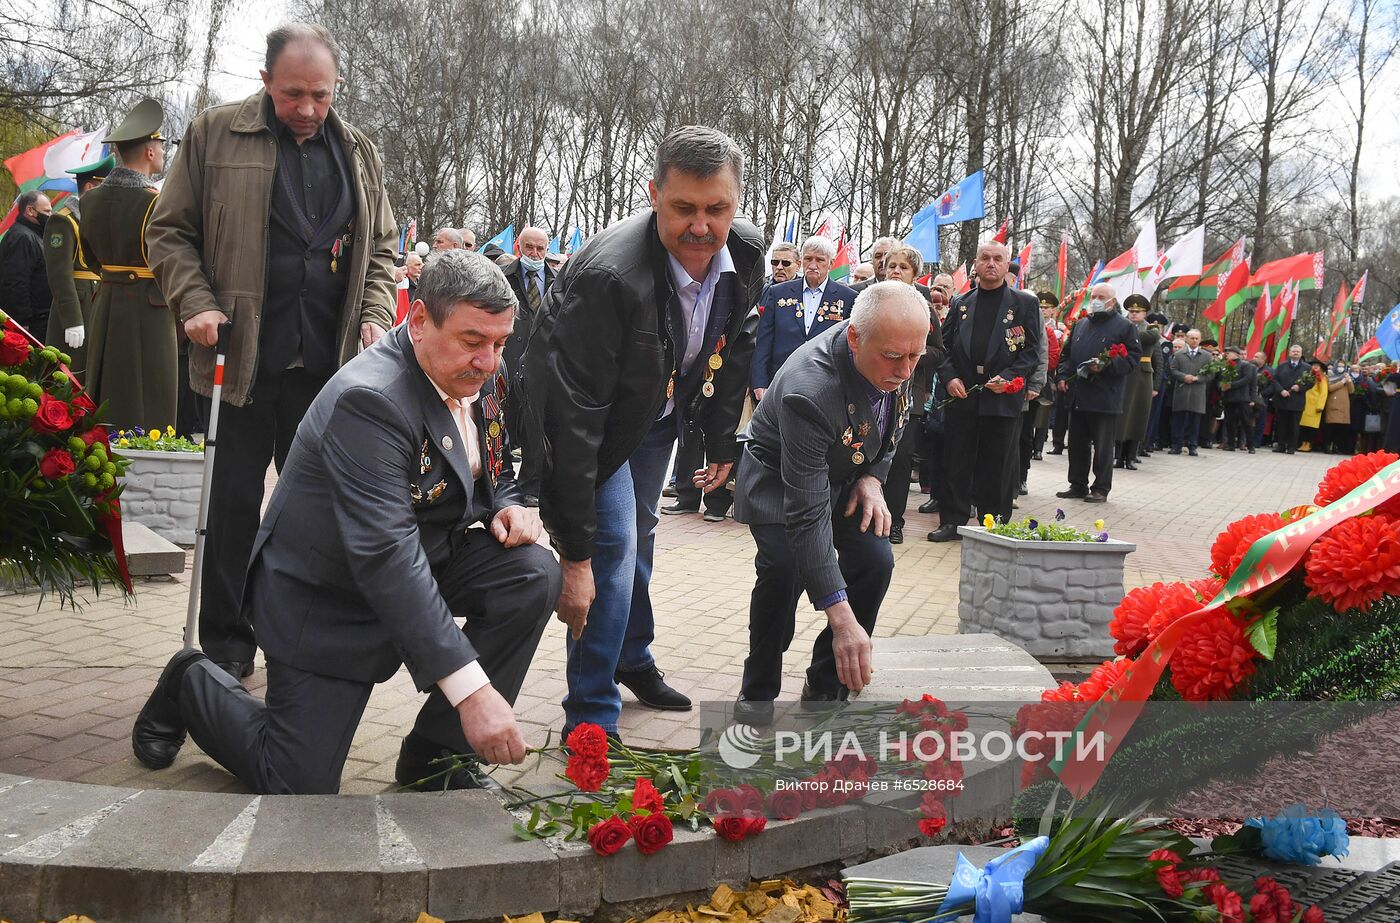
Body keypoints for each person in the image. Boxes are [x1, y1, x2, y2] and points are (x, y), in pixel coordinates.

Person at [132, 249, 560, 794]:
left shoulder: (471, 371)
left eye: (500, 343)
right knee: (296, 782)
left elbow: (486, 467)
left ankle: (436, 755)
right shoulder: (372, 400)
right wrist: (473, 692)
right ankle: (189, 681)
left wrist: (506, 506)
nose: (490, 361)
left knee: (531, 573)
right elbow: (385, 553)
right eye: (474, 341)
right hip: (330, 595)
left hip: (424, 555)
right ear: (420, 319)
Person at [147, 24, 399, 679]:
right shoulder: (214, 134)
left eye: (320, 94)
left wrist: (374, 316)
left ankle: (298, 638)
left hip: (328, 368)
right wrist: (194, 299)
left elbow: (383, 251)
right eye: (294, 94)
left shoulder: (360, 152)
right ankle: (228, 642)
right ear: (265, 82)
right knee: (231, 507)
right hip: (240, 359)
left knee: (315, 513)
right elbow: (169, 231)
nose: (309, 109)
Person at [522, 126, 766, 737]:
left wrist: (718, 444)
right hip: (594, 427)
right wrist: (572, 551)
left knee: (642, 539)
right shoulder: (609, 276)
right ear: (654, 194)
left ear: (737, 202)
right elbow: (571, 418)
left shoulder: (747, 253)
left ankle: (632, 657)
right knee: (608, 552)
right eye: (683, 207)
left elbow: (731, 346)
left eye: (717, 209)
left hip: (655, 420)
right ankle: (591, 714)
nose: (701, 227)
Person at [731, 282, 924, 725]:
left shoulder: (895, 355)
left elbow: (890, 428)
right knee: (784, 570)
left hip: (846, 472)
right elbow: (806, 512)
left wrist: (873, 479)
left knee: (876, 560)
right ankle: (757, 691)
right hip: (781, 482)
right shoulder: (811, 391)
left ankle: (826, 683)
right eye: (894, 357)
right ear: (855, 338)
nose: (905, 370)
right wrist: (840, 615)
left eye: (916, 356)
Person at [927, 241, 1041, 540]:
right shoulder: (961, 304)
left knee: (998, 462)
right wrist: (950, 377)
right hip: (963, 394)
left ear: (1006, 265)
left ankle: (994, 522)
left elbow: (1031, 352)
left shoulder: (1024, 304)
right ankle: (953, 520)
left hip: (1002, 396)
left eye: (998, 259)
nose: (991, 264)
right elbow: (945, 347)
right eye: (985, 258)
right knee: (957, 460)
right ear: (975, 264)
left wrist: (1009, 376)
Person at [81, 99, 174, 430]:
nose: (163, 152)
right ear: (149, 151)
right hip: (151, 309)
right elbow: (170, 260)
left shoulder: (89, 200)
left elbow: (91, 259)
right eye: (161, 145)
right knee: (151, 403)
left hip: (104, 303)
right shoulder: (156, 202)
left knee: (105, 393)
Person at [873, 245, 945, 543]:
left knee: (900, 460)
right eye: (891, 265)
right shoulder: (871, 301)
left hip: (907, 395)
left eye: (903, 267)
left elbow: (939, 351)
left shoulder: (924, 307)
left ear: (915, 274)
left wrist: (908, 356)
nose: (895, 271)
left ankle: (895, 521)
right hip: (872, 392)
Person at [1054, 282, 1140, 502]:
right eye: (1094, 296)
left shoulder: (1125, 327)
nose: (1096, 301)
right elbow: (1067, 355)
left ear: (1112, 301)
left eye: (1101, 297)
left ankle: (1101, 488)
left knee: (1102, 446)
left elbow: (1132, 359)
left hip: (1105, 395)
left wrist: (1107, 366)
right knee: (1076, 443)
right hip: (1079, 393)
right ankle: (1077, 484)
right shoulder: (1081, 324)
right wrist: (1063, 376)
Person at [750, 235, 857, 400]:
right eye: (808, 259)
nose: (813, 265)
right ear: (801, 261)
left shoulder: (847, 298)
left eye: (820, 260)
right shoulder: (779, 293)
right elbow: (764, 341)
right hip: (780, 379)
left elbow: (849, 347)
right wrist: (759, 382)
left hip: (825, 383)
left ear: (831, 263)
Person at [41, 155, 115, 374]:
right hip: (77, 306)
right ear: (90, 186)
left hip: (96, 303)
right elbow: (59, 274)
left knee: (91, 373)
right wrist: (72, 318)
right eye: (104, 187)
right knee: (67, 376)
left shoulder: (97, 221)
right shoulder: (63, 221)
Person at [500, 226, 555, 504]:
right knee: (503, 422)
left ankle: (531, 485)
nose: (535, 254)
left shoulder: (558, 281)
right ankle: (500, 482)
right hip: (506, 358)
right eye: (529, 248)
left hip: (541, 362)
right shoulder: (503, 277)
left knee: (536, 425)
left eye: (540, 249)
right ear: (519, 248)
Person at [0, 191, 55, 341]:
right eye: (47, 211)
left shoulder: (34, 235)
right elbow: (15, 282)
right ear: (30, 210)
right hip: (31, 323)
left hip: (41, 318)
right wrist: (22, 323)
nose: (51, 215)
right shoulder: (22, 237)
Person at [1113, 295, 1154, 468]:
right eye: (1131, 311)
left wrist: (1124, 330)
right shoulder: (1122, 327)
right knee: (1121, 416)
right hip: (1125, 373)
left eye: (1138, 312)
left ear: (1145, 313)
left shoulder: (1151, 329)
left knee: (1138, 415)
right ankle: (1118, 455)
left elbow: (1146, 338)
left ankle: (1131, 456)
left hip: (1142, 377)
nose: (1133, 314)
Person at [1168, 329, 1214, 455]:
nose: (1194, 340)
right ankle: (1176, 445)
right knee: (1178, 420)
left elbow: (1211, 374)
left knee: (1195, 420)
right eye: (1191, 338)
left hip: (1197, 392)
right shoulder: (1179, 354)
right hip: (1182, 391)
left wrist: (1198, 378)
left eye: (1196, 338)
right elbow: (1173, 369)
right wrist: (1184, 377)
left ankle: (1192, 445)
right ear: (1187, 339)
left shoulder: (1206, 356)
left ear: (1200, 340)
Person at [1218, 346, 1259, 453]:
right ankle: (1231, 444)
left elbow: (1247, 379)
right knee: (1230, 422)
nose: (1227, 354)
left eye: (1229, 353)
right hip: (1229, 398)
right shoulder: (1224, 365)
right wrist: (1221, 386)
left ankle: (1251, 445)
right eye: (1226, 352)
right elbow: (1220, 378)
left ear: (1236, 354)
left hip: (1243, 398)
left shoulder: (1246, 365)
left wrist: (1231, 385)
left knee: (1246, 422)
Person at [1270, 345, 1309, 454]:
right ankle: (1281, 445)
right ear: (1289, 352)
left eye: (1298, 351)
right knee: (1281, 424)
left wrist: (1300, 387)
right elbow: (1274, 380)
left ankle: (1292, 446)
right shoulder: (1281, 365)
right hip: (1282, 399)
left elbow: (1311, 382)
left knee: (1294, 425)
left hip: (1297, 401)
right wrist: (1281, 390)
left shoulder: (1306, 368)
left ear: (1301, 354)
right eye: (1293, 351)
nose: (1295, 353)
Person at [1323, 362, 1354, 453]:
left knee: (1340, 428)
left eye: (1342, 366)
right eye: (1339, 366)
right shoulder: (1331, 377)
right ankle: (1327, 445)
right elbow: (1330, 388)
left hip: (1344, 406)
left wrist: (1348, 381)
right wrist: (1342, 382)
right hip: (1333, 404)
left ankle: (1336, 446)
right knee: (1331, 427)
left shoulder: (1346, 376)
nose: (1341, 368)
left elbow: (1351, 390)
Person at [1298, 360, 1328, 451]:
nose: (1315, 367)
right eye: (1314, 365)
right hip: (1304, 403)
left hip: (1314, 405)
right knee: (1303, 425)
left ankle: (1309, 444)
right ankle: (1303, 443)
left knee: (1311, 427)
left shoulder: (1322, 379)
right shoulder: (1307, 376)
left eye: (1317, 366)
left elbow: (1324, 393)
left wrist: (1320, 406)